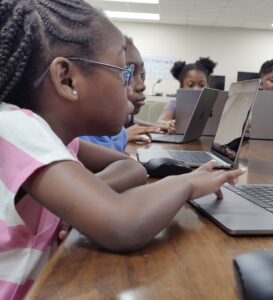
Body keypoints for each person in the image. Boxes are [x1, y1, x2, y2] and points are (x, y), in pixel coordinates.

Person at [0, 1, 245, 299]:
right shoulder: (15, 127)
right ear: (67, 80)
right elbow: (122, 225)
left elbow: (132, 167)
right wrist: (187, 181)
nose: (129, 86)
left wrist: (86, 197)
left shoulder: (58, 140)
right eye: (122, 71)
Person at [81, 36, 163, 149]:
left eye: (141, 75)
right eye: (125, 73)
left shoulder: (109, 131)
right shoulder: (78, 139)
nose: (142, 86)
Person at [158, 57, 217, 127]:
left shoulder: (214, 104)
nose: (197, 89)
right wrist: (167, 123)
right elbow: (159, 123)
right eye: (191, 85)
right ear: (181, 86)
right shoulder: (174, 104)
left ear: (207, 85)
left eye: (202, 85)